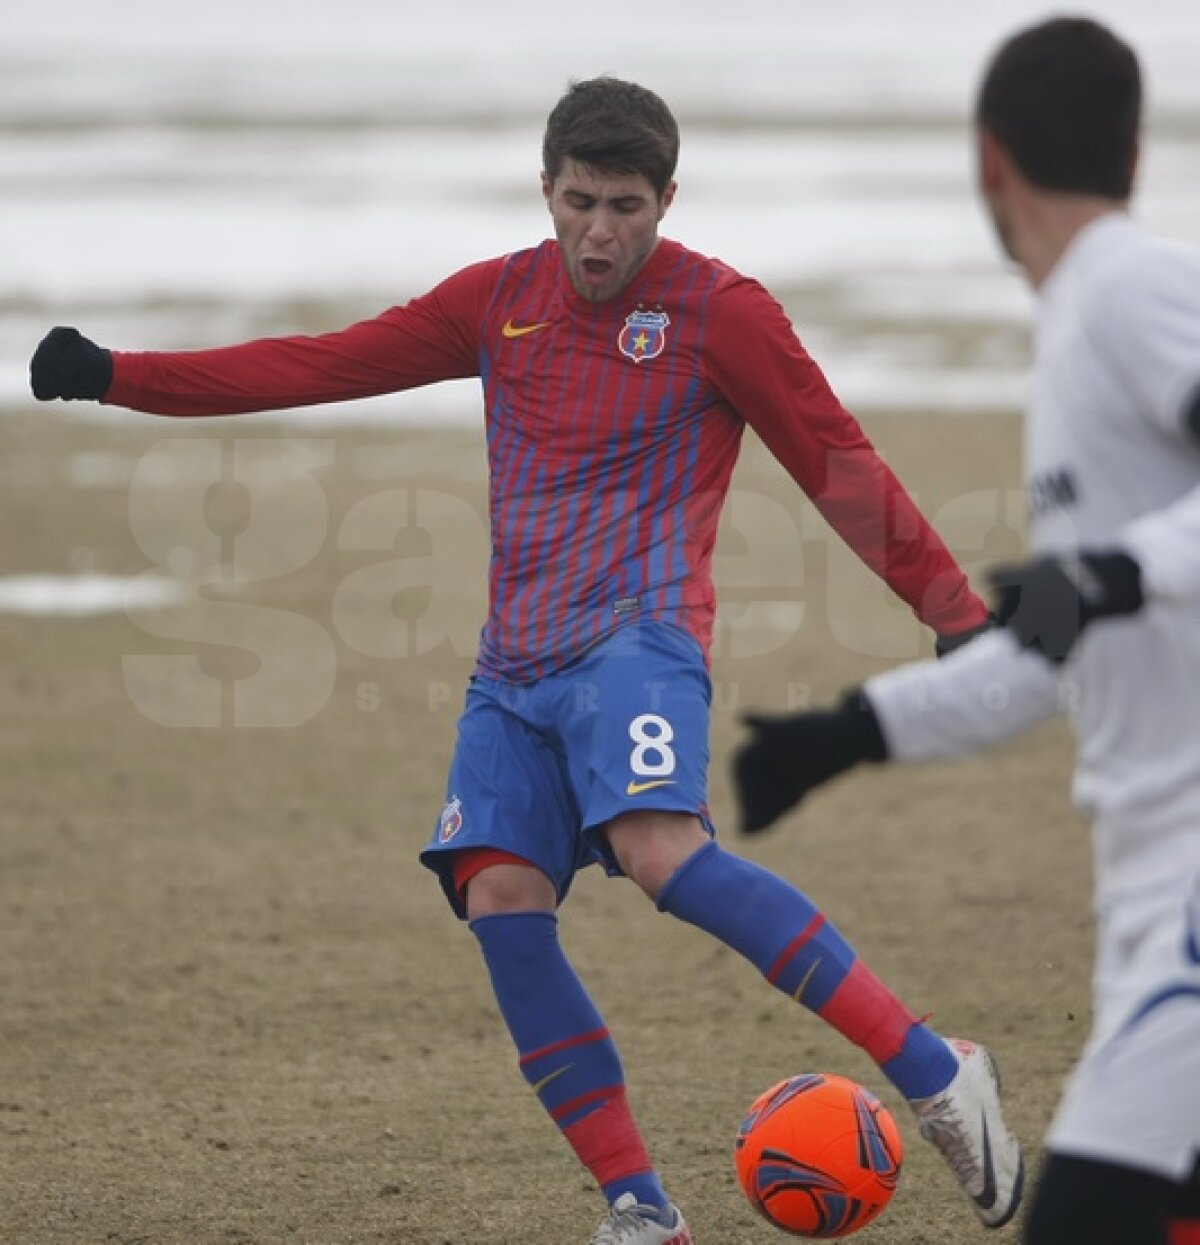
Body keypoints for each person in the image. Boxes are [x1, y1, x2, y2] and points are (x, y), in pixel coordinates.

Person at [30, 76, 1023, 1242]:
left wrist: (951, 611)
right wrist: (118, 377)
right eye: (580, 201)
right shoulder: (497, 299)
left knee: (662, 853)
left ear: (666, 199)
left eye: (626, 206)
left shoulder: (721, 311)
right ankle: (642, 1210)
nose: (600, 232)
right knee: (500, 896)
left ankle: (936, 1073)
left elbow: (835, 458)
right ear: (545, 190)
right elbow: (316, 363)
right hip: (512, 673)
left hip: (638, 642)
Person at [732, 18, 1200, 1245]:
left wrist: (1114, 570)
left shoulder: (1126, 289)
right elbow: (1066, 646)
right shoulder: (1075, 337)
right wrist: (854, 730)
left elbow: (1105, 590)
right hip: (1150, 878)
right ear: (1135, 148)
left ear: (988, 161)